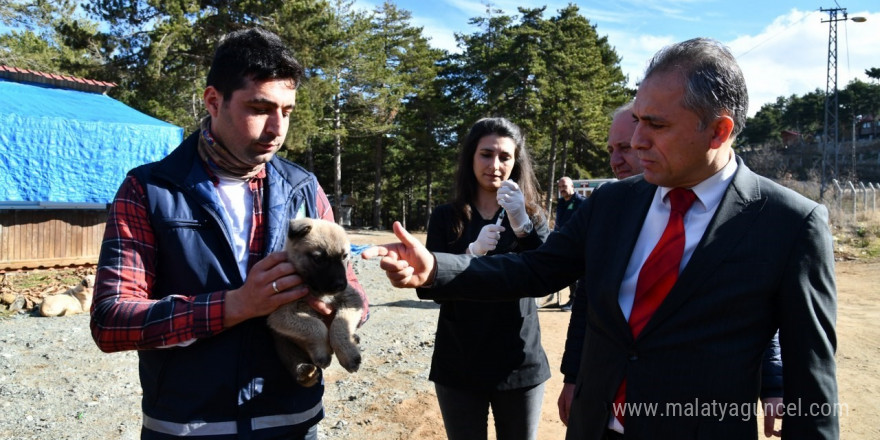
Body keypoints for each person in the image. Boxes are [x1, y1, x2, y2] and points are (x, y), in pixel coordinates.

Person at [364, 37, 838, 439]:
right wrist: (438, 267)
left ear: (718, 131)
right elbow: (536, 268)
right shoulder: (614, 203)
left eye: (656, 125)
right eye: (638, 119)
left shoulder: (790, 224)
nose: (635, 142)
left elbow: (812, 382)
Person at [90, 28, 367, 440]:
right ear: (213, 101)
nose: (277, 129)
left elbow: (353, 292)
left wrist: (340, 314)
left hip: (293, 422)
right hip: (187, 426)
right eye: (260, 108)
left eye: (287, 111)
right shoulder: (149, 189)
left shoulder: (304, 188)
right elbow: (111, 321)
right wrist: (235, 305)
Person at [557, 100, 785, 437]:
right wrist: (573, 376)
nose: (619, 156)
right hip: (604, 413)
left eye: (625, 145)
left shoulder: (748, 215)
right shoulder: (609, 209)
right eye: (612, 148)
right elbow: (591, 307)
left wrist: (773, 382)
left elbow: (754, 312)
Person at [425, 117, 551, 440]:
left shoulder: (531, 215)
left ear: (515, 162)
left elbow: (550, 274)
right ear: (471, 158)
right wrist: (470, 253)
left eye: (504, 156)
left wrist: (523, 225)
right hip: (459, 364)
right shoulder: (446, 217)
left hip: (519, 364)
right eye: (486, 154)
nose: (495, 165)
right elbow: (428, 289)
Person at [553, 176, 585, 311]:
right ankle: (566, 299)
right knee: (565, 272)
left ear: (572, 187)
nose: (562, 189)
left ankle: (574, 301)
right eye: (560, 187)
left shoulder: (581, 202)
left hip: (578, 244)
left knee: (576, 275)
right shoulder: (561, 202)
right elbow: (558, 222)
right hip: (563, 242)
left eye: (564, 186)